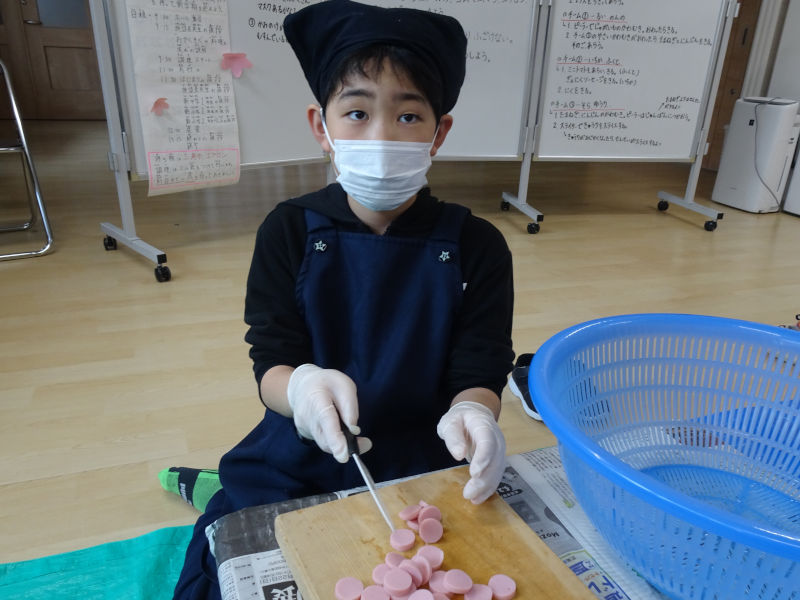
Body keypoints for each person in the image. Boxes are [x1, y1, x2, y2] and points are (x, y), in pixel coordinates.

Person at [173, 1, 514, 597]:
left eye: (408, 116)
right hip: (302, 452)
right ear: (321, 127)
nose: (381, 135)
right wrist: (300, 390)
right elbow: (271, 359)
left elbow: (480, 366)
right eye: (356, 112)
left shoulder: (478, 244)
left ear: (439, 132)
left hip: (424, 454)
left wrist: (475, 412)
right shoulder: (288, 229)